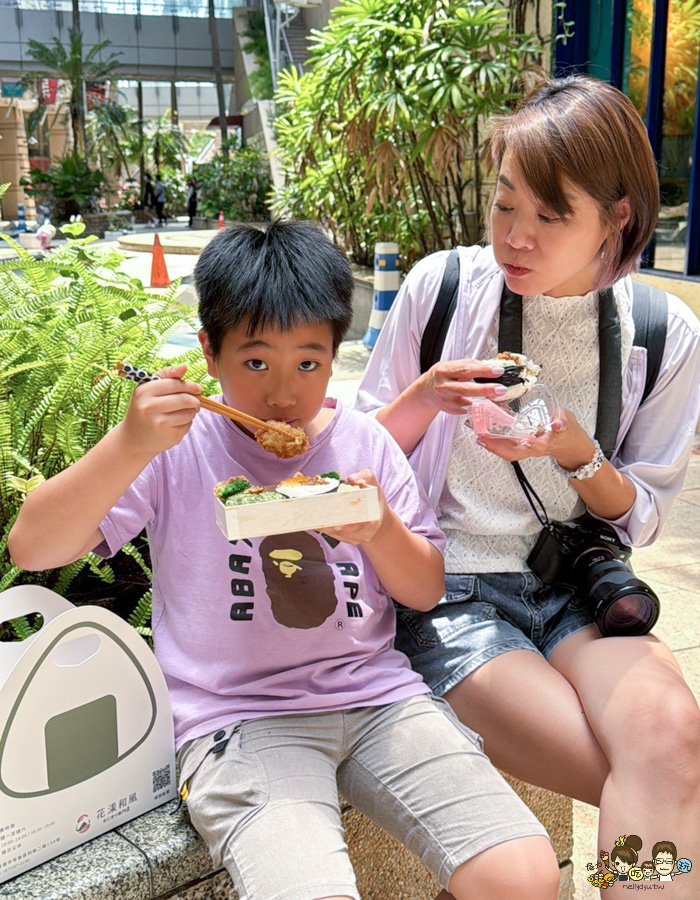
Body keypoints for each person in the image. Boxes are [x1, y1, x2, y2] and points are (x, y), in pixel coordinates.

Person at [8, 221, 559, 900]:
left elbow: (421, 590)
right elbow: (33, 548)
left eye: (308, 362)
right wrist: (127, 443)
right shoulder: (175, 448)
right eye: (256, 362)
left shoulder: (365, 444)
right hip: (237, 721)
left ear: (335, 354)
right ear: (209, 354)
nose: (282, 395)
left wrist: (379, 530)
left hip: (377, 700)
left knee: (525, 875)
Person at [356, 75, 700, 896]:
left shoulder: (659, 332)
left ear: (616, 219)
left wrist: (582, 454)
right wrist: (423, 397)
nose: (517, 237)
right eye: (505, 205)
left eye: (552, 216)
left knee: (673, 739)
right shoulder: (443, 290)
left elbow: (642, 518)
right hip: (450, 593)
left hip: (574, 588)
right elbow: (352, 463)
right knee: (648, 779)